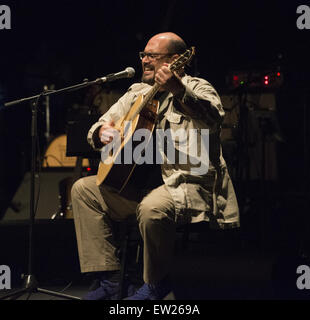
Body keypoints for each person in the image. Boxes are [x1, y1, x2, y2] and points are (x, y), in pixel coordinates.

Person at [71, 32, 240, 300]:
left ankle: (156, 283)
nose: (145, 61)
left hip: (184, 185)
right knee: (84, 189)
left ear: (176, 61)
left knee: (152, 208)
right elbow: (101, 123)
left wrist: (177, 89)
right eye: (144, 55)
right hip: (135, 186)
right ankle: (111, 279)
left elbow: (213, 118)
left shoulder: (199, 87)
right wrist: (101, 131)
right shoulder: (137, 93)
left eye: (152, 56)